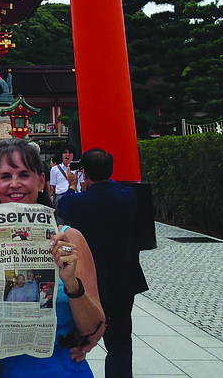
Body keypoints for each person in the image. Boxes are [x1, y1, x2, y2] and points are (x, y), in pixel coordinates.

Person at [0, 138, 105, 378]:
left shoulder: (69, 238)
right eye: (5, 176)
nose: (15, 184)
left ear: (40, 182)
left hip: (58, 369)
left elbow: (95, 329)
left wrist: (71, 282)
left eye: (24, 174)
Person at [57, 149, 148, 378]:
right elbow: (114, 186)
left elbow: (63, 205)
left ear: (84, 172)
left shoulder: (77, 201)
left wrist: (72, 184)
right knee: (120, 340)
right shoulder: (127, 196)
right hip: (122, 278)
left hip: (90, 278)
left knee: (80, 331)